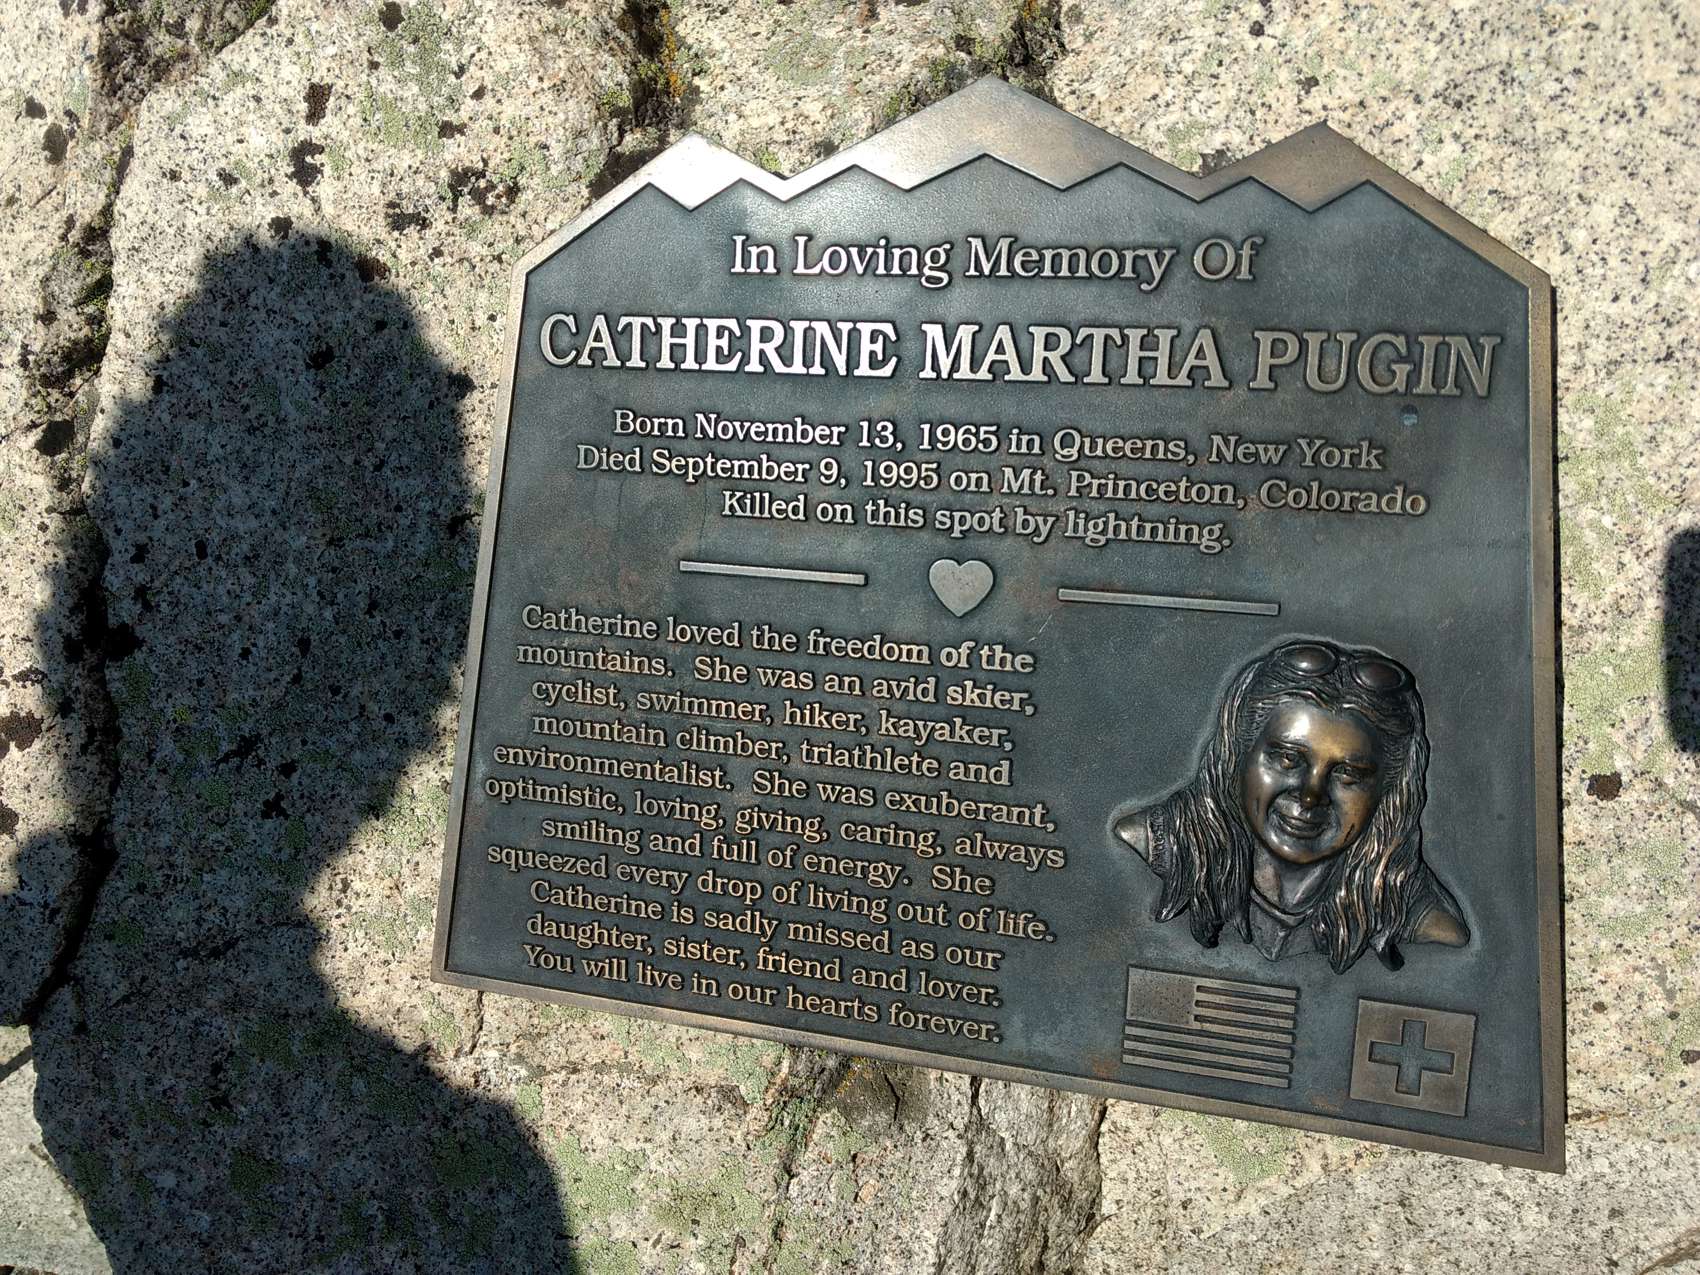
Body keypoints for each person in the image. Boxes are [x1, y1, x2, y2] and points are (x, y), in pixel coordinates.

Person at [1115, 639, 1468, 973]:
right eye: (1287, 759)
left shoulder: (1412, 909)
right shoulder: (1158, 842)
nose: (1310, 795)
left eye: (1347, 774)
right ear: (1238, 755)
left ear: (1387, 793)